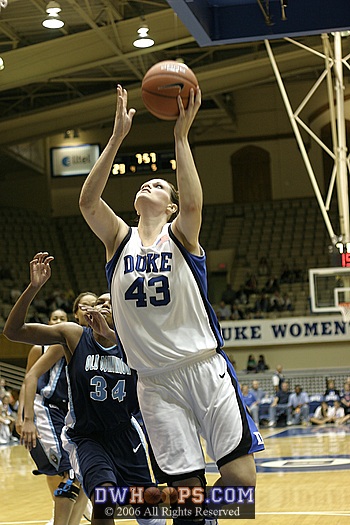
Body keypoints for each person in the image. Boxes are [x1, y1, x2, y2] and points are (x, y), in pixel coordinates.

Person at [78, 84, 265, 519]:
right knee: (185, 490)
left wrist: (181, 138)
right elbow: (88, 202)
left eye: (159, 183)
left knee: (242, 485)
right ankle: (191, 511)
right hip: (155, 382)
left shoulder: (181, 237)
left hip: (203, 366)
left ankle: (180, 509)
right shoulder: (118, 241)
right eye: (145, 183)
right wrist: (117, 138)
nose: (149, 184)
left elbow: (196, 201)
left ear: (170, 204)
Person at [3, 253, 165, 525]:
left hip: (126, 433)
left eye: (107, 303)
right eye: (96, 303)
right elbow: (13, 331)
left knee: (149, 510)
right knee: (104, 498)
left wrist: (112, 337)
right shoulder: (73, 335)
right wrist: (33, 288)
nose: (100, 306)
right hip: (87, 437)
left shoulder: (136, 341)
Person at [16, 304, 93, 525]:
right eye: (54, 318)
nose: (58, 322)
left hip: (67, 411)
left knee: (73, 471)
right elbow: (28, 379)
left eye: (62, 318)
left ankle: (68, 514)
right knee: (64, 471)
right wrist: (23, 417)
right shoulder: (43, 347)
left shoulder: (81, 341)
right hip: (47, 408)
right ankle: (60, 512)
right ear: (48, 323)